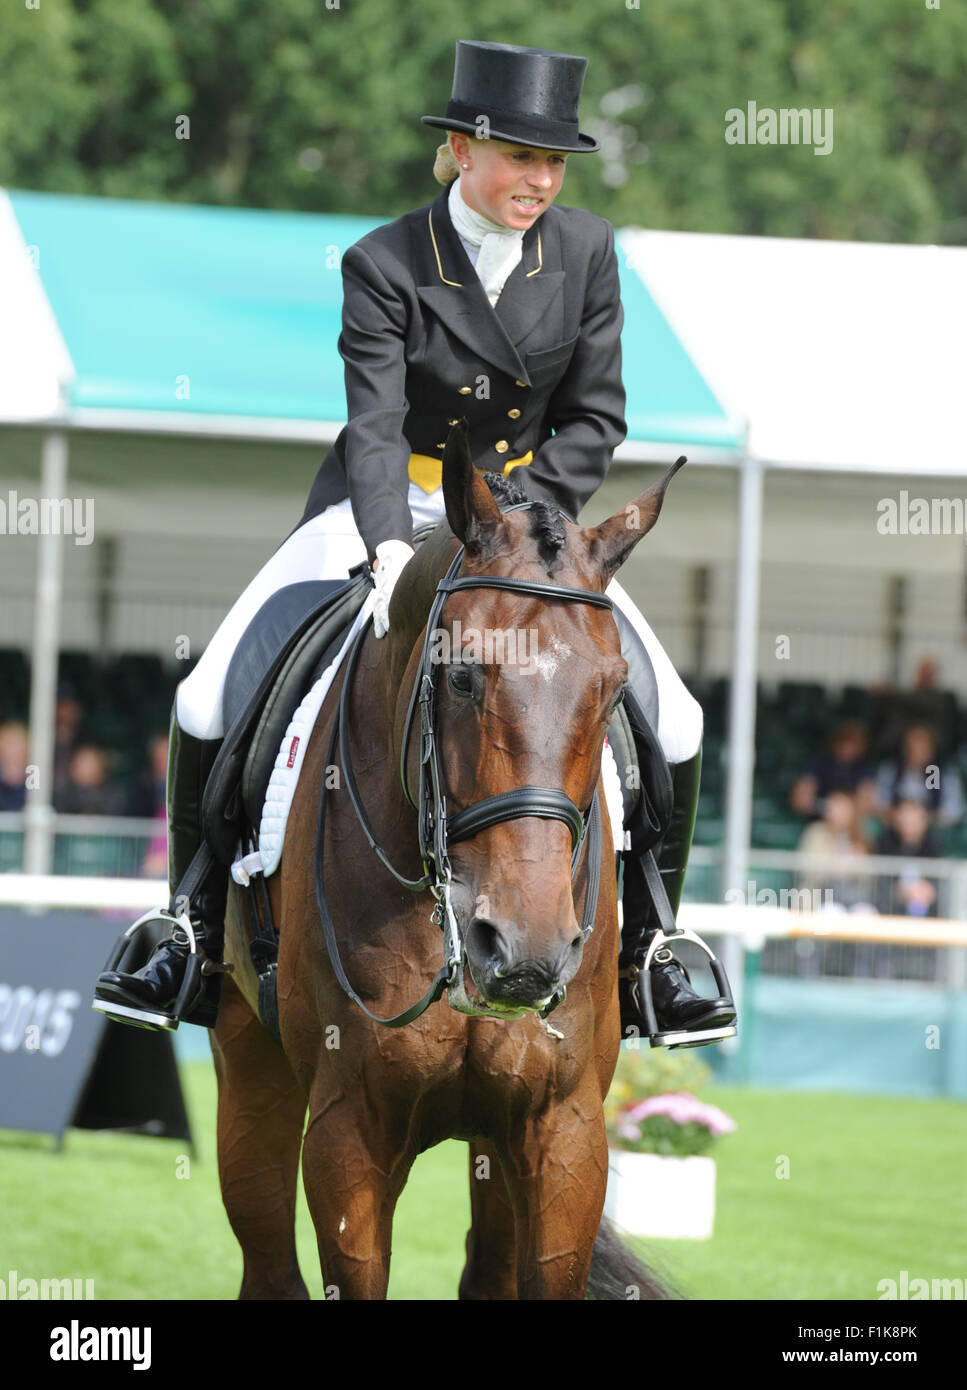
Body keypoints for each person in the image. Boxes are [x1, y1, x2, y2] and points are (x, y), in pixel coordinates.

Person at [95, 40, 735, 1045]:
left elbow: (597, 419)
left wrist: (521, 529)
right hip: (380, 504)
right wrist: (393, 547)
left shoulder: (585, 250)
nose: (539, 181)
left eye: (554, 163)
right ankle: (186, 922)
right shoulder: (386, 261)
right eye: (521, 157)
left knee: (680, 713)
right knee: (208, 687)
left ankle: (654, 944)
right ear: (458, 147)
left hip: (526, 523)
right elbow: (376, 425)